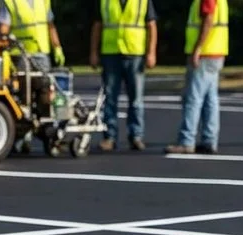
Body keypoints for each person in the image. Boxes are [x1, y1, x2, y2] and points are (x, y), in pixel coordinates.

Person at [90, 0, 158, 152]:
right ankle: (110, 137)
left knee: (136, 99)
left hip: (135, 54)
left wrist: (151, 53)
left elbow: (151, 25)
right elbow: (97, 26)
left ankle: (136, 136)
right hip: (111, 53)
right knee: (110, 98)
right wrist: (94, 52)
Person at [164, 0, 230, 155]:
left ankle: (187, 141)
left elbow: (208, 19)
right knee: (210, 99)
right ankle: (209, 140)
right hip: (216, 51)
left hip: (205, 53)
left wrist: (197, 48)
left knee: (193, 98)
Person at [0, 0, 65, 68]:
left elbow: (50, 26)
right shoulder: (10, 1)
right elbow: (3, 31)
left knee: (44, 77)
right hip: (20, 55)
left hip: (41, 53)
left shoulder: (44, 1)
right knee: (23, 78)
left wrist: (57, 47)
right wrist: (5, 52)